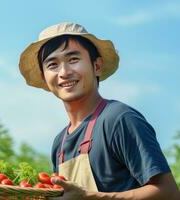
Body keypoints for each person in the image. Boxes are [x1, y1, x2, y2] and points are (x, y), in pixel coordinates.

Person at [19, 22, 179, 199]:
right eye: (52, 65)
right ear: (44, 77)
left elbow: (169, 193)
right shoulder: (60, 143)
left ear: (97, 66)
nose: (63, 72)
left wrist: (91, 197)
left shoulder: (118, 119)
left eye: (73, 59)